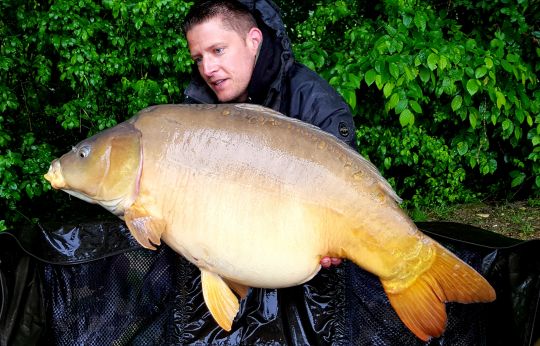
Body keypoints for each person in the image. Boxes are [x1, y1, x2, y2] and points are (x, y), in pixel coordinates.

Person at [1, 1, 538, 345]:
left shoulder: (317, 103)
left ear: (254, 42)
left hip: (310, 246)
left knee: (366, 272)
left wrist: (336, 243)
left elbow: (344, 185)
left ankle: (412, 266)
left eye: (218, 50)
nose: (208, 67)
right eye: (198, 58)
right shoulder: (189, 110)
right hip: (232, 250)